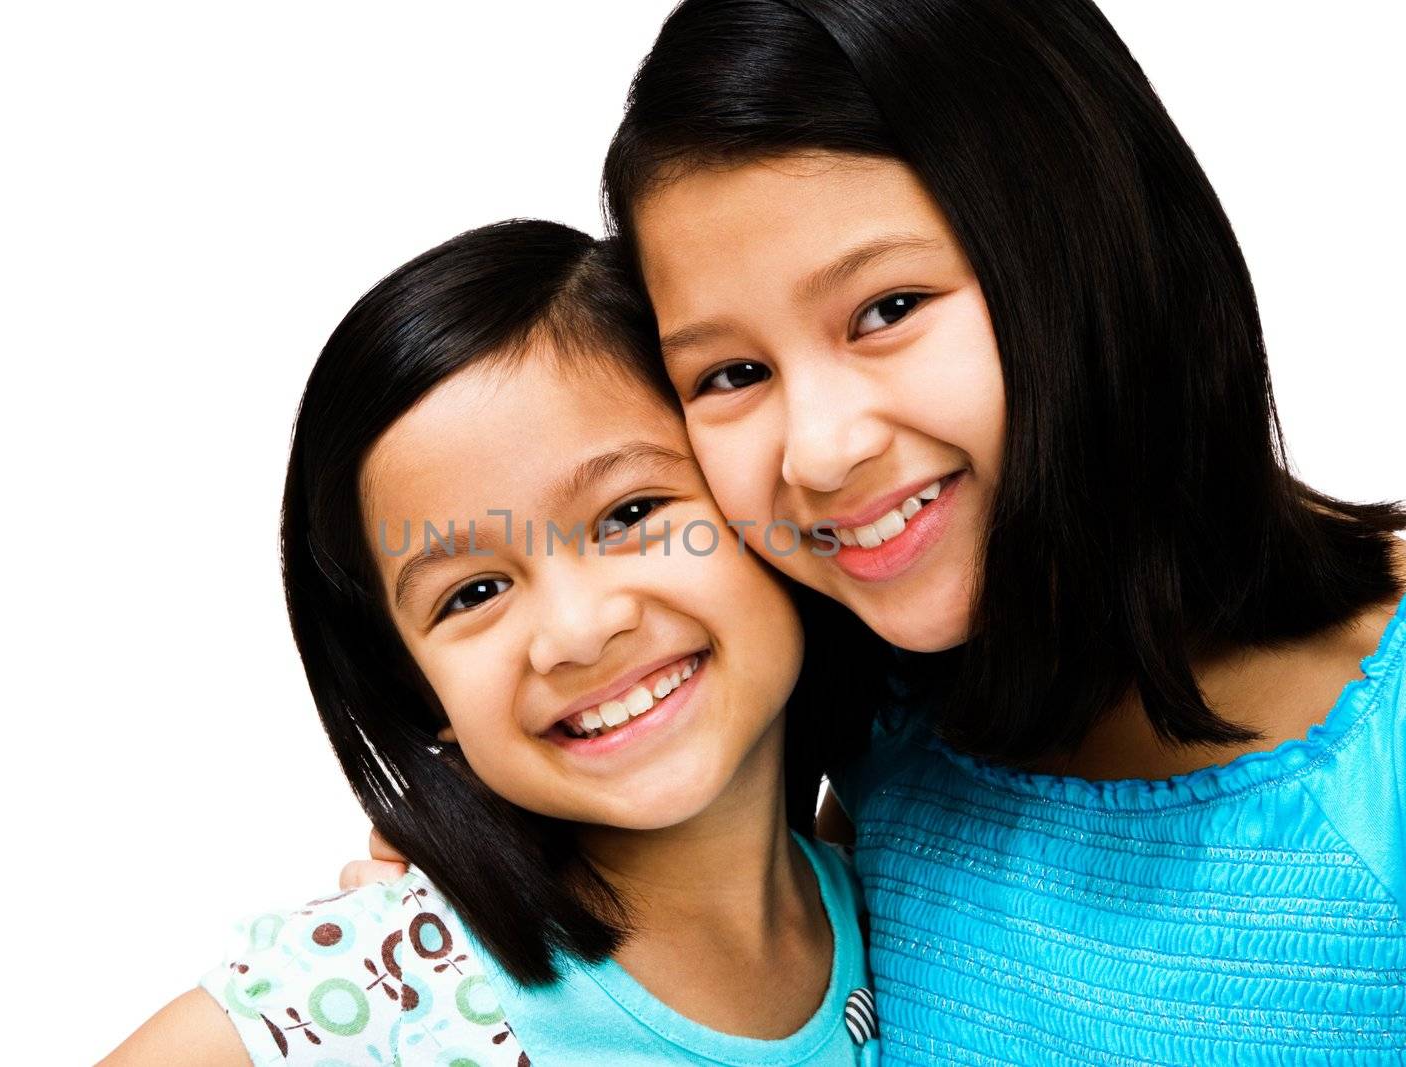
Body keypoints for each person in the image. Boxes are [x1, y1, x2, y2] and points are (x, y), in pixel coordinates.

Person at [354, 1, 1406, 1061]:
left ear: (1090, 247)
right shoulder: (881, 713)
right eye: (730, 374)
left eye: (887, 307)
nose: (818, 451)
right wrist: (477, 877)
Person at [98, 220, 883, 1066]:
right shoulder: (377, 991)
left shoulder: (903, 903)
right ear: (415, 690)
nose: (579, 630)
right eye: (473, 593)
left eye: (630, 513)